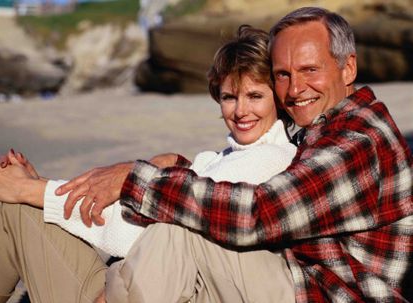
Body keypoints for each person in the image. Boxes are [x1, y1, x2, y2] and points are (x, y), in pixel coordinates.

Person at [52, 6, 413, 303]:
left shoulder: (356, 144)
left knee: (184, 229)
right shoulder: (322, 127)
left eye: (309, 70)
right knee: (184, 229)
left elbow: (257, 213)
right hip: (298, 279)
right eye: (283, 75)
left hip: (328, 294)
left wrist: (136, 178)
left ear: (348, 68)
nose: (296, 88)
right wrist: (178, 166)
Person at [0, 25, 298, 302]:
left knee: (14, 207)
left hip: (124, 293)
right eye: (230, 97)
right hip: (125, 284)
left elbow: (136, 237)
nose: (241, 110)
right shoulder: (220, 159)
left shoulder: (270, 159)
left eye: (255, 96)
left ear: (279, 100)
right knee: (21, 207)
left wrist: (31, 190)